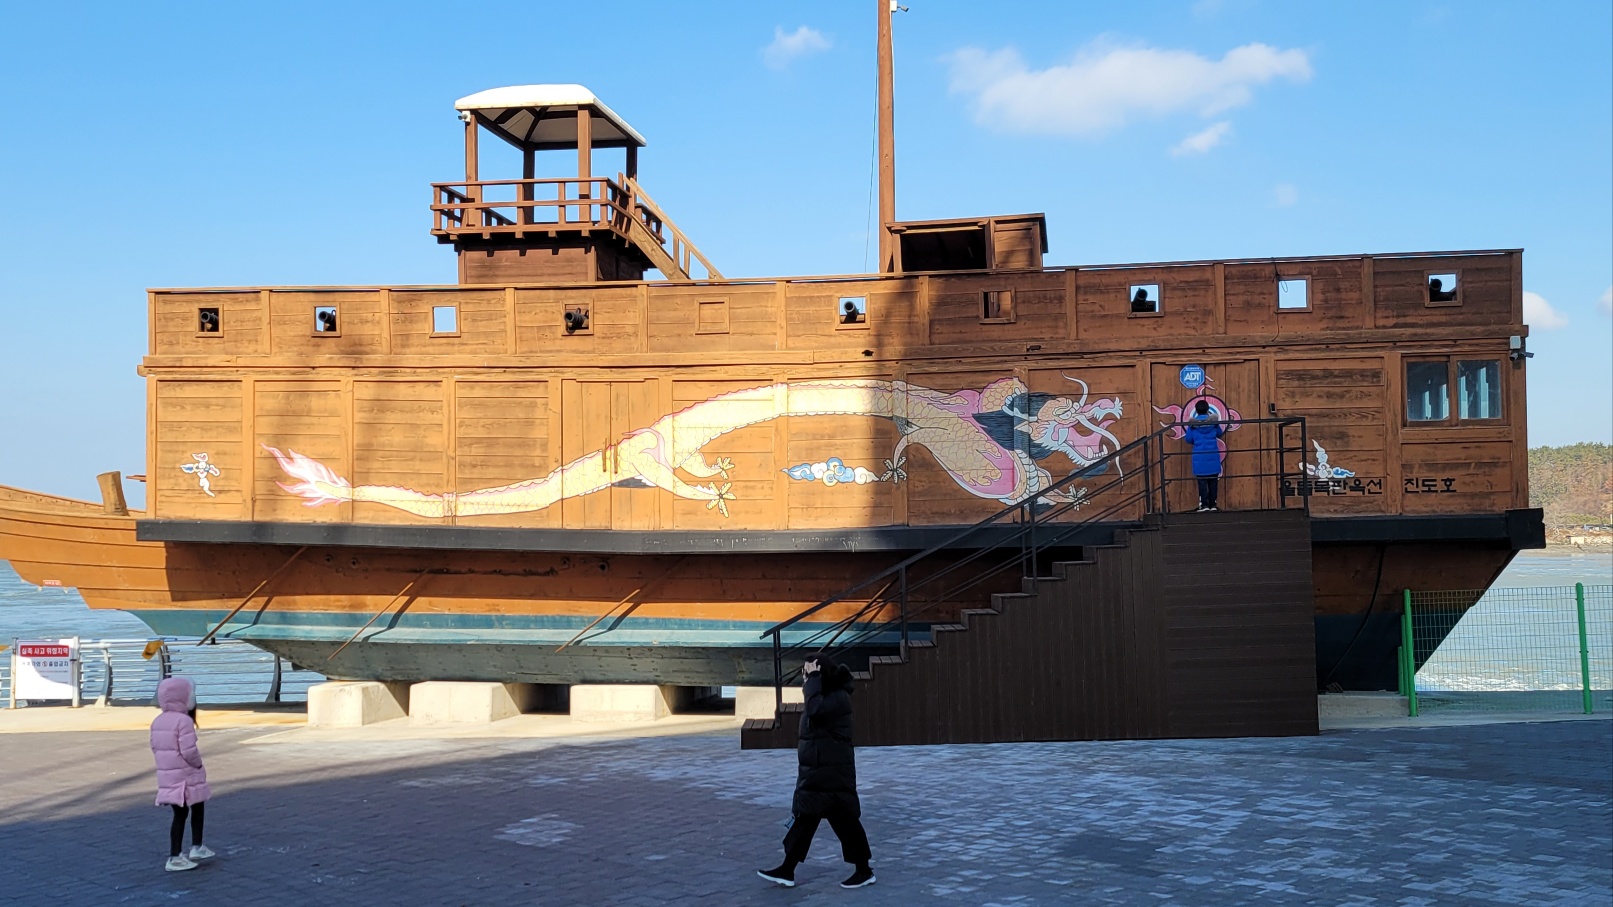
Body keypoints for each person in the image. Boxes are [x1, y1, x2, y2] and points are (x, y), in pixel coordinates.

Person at [757, 656, 875, 889]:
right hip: (818, 773)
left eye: (808, 673)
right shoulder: (822, 696)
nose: (805, 678)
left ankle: (864, 870)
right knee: (805, 820)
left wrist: (813, 678)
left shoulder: (837, 697)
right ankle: (787, 869)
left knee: (845, 823)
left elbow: (814, 710)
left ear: (822, 675)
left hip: (832, 773)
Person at [150, 677, 214, 872]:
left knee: (187, 810)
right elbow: (189, 751)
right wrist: (198, 764)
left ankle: (194, 848)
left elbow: (155, 746)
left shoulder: (158, 720)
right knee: (188, 811)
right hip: (186, 774)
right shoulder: (184, 721)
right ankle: (177, 855)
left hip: (169, 774)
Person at [1184, 398, 1227, 512]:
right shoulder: (1213, 424)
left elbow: (1188, 439)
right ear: (1208, 409)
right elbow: (1219, 433)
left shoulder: (1193, 425)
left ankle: (1204, 505)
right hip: (1212, 456)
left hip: (1199, 457)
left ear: (1196, 411)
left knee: (1202, 482)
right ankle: (1213, 505)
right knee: (1213, 481)